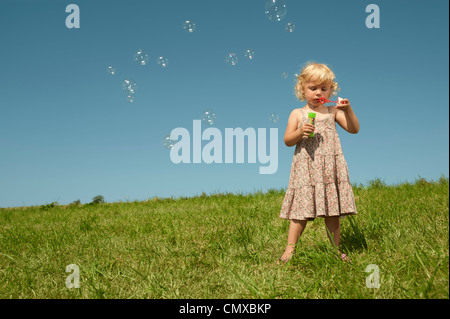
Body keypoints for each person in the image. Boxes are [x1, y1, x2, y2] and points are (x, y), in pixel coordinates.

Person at [278, 62, 359, 264]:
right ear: (302, 89)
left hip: (330, 168)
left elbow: (354, 129)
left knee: (333, 212)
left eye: (324, 88)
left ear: (331, 90)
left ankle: (335, 250)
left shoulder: (333, 112)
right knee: (300, 212)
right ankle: (290, 250)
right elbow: (288, 140)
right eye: (313, 88)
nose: (318, 92)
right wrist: (299, 132)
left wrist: (348, 110)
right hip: (307, 168)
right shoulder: (297, 114)